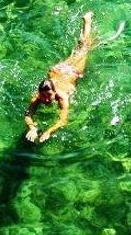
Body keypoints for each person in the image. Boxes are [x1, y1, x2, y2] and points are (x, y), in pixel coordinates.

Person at [24, 12, 95, 143]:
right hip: (58, 70)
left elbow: (63, 120)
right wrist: (32, 128)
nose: (45, 99)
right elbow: (28, 114)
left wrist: (49, 131)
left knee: (85, 47)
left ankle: (87, 21)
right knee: (79, 48)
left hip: (72, 72)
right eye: (43, 95)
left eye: (48, 95)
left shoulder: (62, 96)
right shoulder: (37, 96)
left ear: (55, 92)